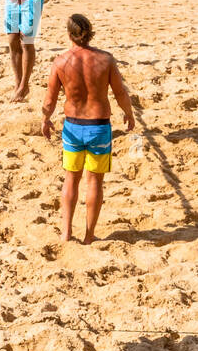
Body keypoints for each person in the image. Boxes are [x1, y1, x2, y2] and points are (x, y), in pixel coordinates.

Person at [41, 14, 134, 244]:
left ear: (69, 34)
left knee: (71, 179)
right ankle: (89, 235)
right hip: (99, 127)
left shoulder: (60, 62)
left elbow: (49, 100)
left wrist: (45, 119)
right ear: (90, 32)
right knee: (95, 182)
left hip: (73, 126)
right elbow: (120, 93)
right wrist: (129, 114)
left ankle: (66, 232)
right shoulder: (105, 60)